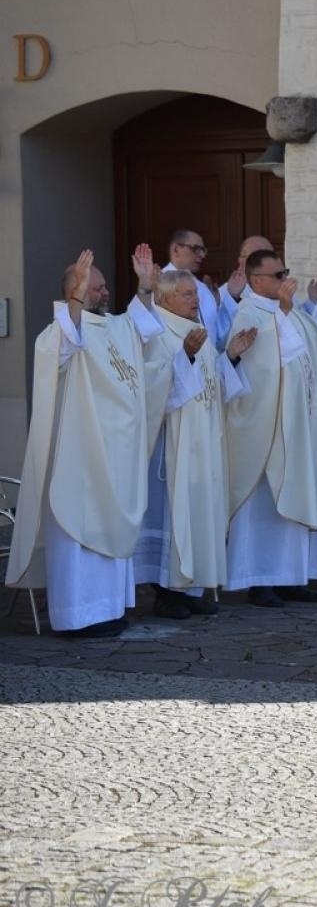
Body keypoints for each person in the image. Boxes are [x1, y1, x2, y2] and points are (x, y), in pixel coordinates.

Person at [5, 247, 164, 638]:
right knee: (80, 534)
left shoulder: (115, 329)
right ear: (73, 292)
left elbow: (141, 327)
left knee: (109, 534)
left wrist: (145, 286)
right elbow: (67, 338)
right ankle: (77, 616)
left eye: (105, 286)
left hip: (115, 458)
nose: (103, 293)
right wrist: (75, 298)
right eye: (94, 288)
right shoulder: (60, 333)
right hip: (79, 459)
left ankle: (108, 610)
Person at [223, 250, 317, 607]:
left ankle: (291, 578)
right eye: (278, 274)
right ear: (256, 281)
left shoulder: (291, 312)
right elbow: (261, 366)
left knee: (298, 493)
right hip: (266, 430)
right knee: (263, 508)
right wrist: (282, 312)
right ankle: (259, 579)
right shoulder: (248, 314)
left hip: (299, 425)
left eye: (285, 272)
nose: (286, 279)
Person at [134, 269, 256, 617]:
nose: (195, 299)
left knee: (201, 512)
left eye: (195, 294)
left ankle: (192, 587)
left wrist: (230, 356)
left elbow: (211, 382)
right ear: (165, 297)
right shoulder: (156, 331)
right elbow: (151, 385)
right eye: (186, 294)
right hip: (175, 444)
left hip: (204, 437)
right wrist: (184, 357)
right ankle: (167, 593)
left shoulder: (194, 330)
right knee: (175, 515)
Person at [162, 228, 227, 346]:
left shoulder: (203, 288)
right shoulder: (160, 285)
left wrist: (216, 304)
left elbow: (214, 330)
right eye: (196, 249)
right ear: (176, 249)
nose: (202, 255)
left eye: (203, 250)